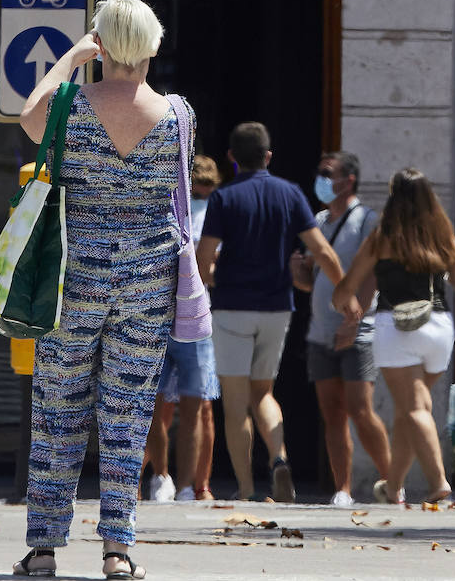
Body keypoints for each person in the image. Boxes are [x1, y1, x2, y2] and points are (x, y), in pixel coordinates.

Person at [11, 0, 191, 581]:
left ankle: (43, 549)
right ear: (154, 45)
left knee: (57, 411)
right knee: (127, 416)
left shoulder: (68, 103)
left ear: (103, 45)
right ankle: (118, 549)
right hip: (148, 279)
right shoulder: (179, 116)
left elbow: (27, 118)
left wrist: (69, 58)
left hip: (73, 276)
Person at [196, 122, 344, 503]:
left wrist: (210, 280)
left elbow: (204, 257)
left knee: (234, 401)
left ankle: (245, 488)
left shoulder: (224, 198)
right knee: (264, 392)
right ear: (268, 157)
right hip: (277, 308)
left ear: (231, 158)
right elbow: (323, 251)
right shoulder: (291, 194)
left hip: (231, 308)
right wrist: (345, 292)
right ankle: (279, 458)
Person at [332, 168, 455, 505]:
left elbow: (347, 288)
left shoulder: (383, 237)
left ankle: (439, 483)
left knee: (414, 408)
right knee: (408, 410)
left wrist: (343, 304)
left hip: (396, 328)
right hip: (439, 327)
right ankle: (394, 486)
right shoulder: (442, 236)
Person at [290, 151, 391, 507]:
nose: (320, 179)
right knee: (332, 413)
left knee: (361, 411)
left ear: (348, 179)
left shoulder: (366, 219)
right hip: (320, 332)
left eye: (327, 173)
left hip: (357, 332)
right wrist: (298, 270)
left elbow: (372, 274)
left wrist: (356, 320)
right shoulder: (317, 220)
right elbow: (308, 282)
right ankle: (343, 489)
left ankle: (393, 485)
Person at [144, 153, 220, 502]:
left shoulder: (164, 206)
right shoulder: (215, 213)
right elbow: (213, 266)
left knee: (155, 405)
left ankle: (161, 477)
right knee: (194, 406)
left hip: (159, 312)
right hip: (196, 313)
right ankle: (189, 486)